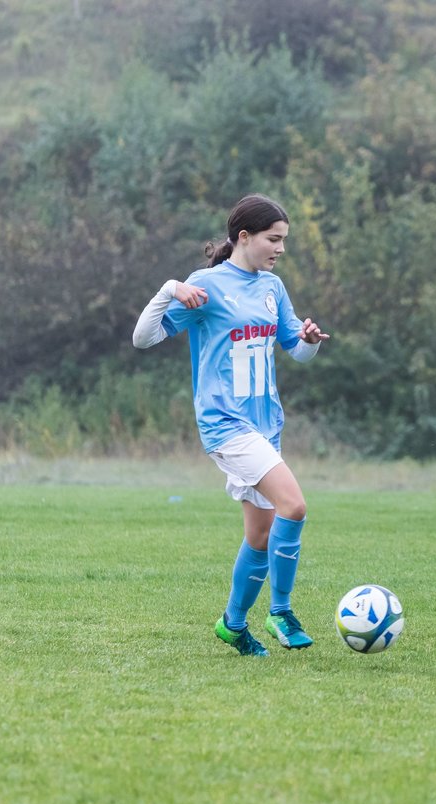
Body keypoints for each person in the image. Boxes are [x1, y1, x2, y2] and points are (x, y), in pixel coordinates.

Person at [132, 194, 329, 657]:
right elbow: (142, 339)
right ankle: (280, 611)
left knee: (260, 535)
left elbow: (295, 350)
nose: (280, 249)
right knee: (295, 507)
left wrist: (309, 341)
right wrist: (169, 288)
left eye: (283, 241)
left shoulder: (272, 288)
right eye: (273, 239)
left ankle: (232, 625)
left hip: (265, 426)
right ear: (244, 237)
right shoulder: (205, 285)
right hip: (226, 424)